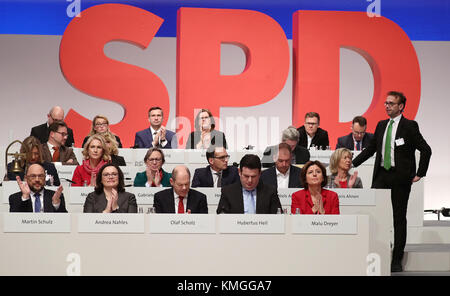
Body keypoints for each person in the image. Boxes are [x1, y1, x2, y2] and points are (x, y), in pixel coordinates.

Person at [353, 91, 432, 272]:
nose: (387, 106)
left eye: (391, 103)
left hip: (400, 178)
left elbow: (426, 150)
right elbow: (370, 150)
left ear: (401, 106)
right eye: (386, 103)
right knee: (374, 215)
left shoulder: (410, 126)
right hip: (381, 175)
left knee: (398, 217)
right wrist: (350, 163)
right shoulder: (381, 125)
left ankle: (396, 259)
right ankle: (374, 251)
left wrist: (420, 173)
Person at [216, 154, 282, 214]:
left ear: (259, 174)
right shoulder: (228, 192)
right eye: (246, 176)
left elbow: (278, 218)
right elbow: (221, 219)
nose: (250, 180)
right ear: (239, 172)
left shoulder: (270, 192)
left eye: (253, 176)